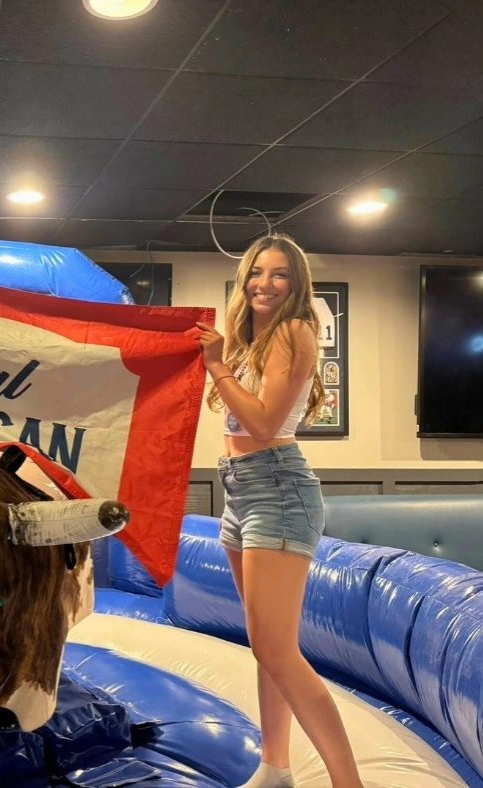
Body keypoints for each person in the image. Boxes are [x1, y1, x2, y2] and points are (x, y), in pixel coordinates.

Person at [189, 234, 362, 788]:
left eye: (279, 274)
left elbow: (262, 424)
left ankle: (348, 783)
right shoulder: (250, 338)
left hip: (278, 490)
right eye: (256, 272)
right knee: (265, 645)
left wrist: (215, 366)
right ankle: (275, 767)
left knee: (275, 647)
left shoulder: (293, 330)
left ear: (296, 283)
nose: (265, 283)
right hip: (241, 490)